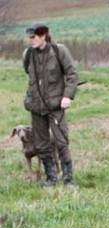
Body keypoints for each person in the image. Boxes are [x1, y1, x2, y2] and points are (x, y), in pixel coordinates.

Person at [23, 22, 79, 187]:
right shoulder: (28, 54)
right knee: (41, 145)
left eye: (34, 37)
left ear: (44, 35)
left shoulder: (59, 51)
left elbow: (72, 74)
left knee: (61, 142)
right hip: (36, 107)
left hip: (55, 106)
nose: (31, 40)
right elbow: (28, 73)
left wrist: (67, 96)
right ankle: (51, 179)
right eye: (30, 37)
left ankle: (69, 180)